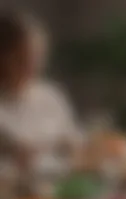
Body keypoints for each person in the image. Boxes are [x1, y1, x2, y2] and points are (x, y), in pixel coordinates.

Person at [0, 10, 79, 168]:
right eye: (22, 57)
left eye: (37, 56)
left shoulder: (51, 96)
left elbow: (74, 146)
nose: (33, 64)